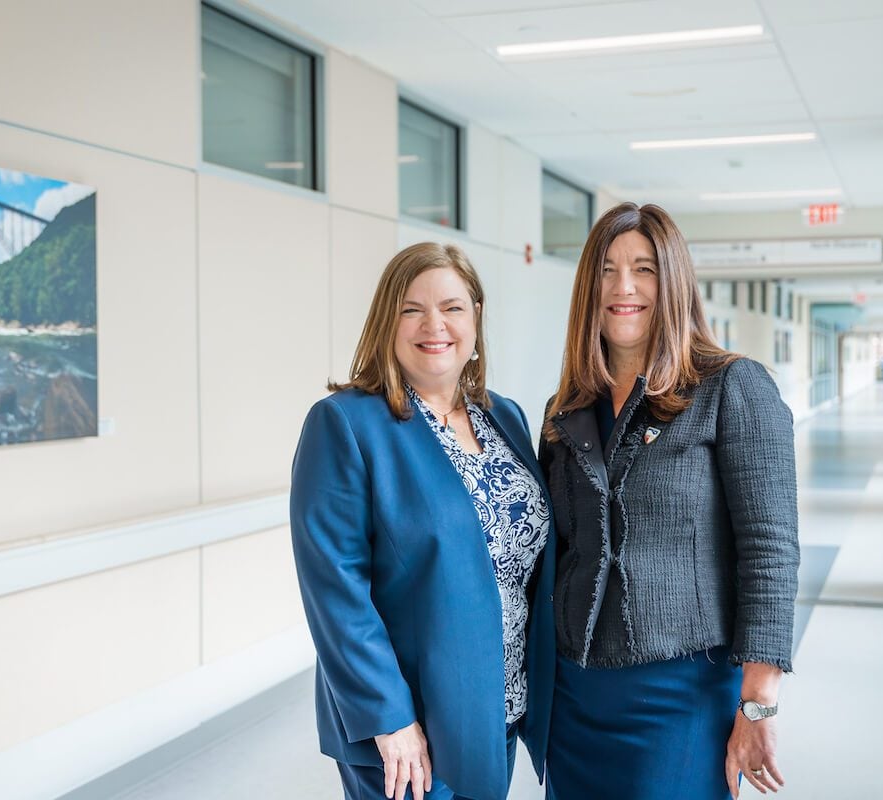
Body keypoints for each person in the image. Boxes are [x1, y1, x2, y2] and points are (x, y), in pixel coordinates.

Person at [539, 203, 800, 800]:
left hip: (684, 696)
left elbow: (770, 549)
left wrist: (759, 703)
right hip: (575, 698)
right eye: (606, 270)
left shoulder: (732, 386)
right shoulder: (566, 411)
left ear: (674, 281)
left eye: (644, 269)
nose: (623, 287)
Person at [290, 242, 556, 800]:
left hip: (496, 711)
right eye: (412, 308)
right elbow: (335, 590)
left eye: (453, 307)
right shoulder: (346, 423)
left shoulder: (503, 416)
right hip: (411, 730)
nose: (434, 324)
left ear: (476, 317)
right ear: (388, 319)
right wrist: (388, 717)